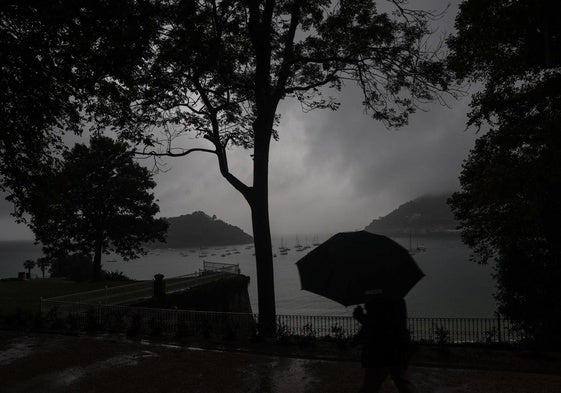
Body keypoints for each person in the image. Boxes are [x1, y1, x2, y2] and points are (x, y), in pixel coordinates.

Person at [353, 292, 416, 393]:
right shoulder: (398, 300)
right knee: (401, 382)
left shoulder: (378, 301)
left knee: (370, 385)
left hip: (379, 352)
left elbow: (380, 327)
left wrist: (361, 318)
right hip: (397, 350)